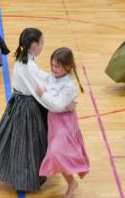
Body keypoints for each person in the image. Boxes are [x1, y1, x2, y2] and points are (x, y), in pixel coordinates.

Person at [0, 28, 54, 192]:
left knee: (18, 141)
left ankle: (23, 174)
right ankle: (25, 179)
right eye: (41, 43)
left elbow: (40, 76)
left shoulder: (24, 58)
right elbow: (38, 90)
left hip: (20, 105)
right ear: (34, 45)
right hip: (27, 108)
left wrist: (53, 77)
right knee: (27, 144)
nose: (42, 46)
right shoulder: (28, 65)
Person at [37, 47, 90, 198]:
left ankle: (72, 183)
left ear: (67, 66)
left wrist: (43, 94)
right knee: (58, 153)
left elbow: (58, 106)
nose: (53, 69)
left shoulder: (69, 86)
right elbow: (45, 77)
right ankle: (71, 182)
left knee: (57, 152)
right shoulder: (54, 76)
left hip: (65, 124)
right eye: (52, 65)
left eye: (57, 66)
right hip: (54, 122)